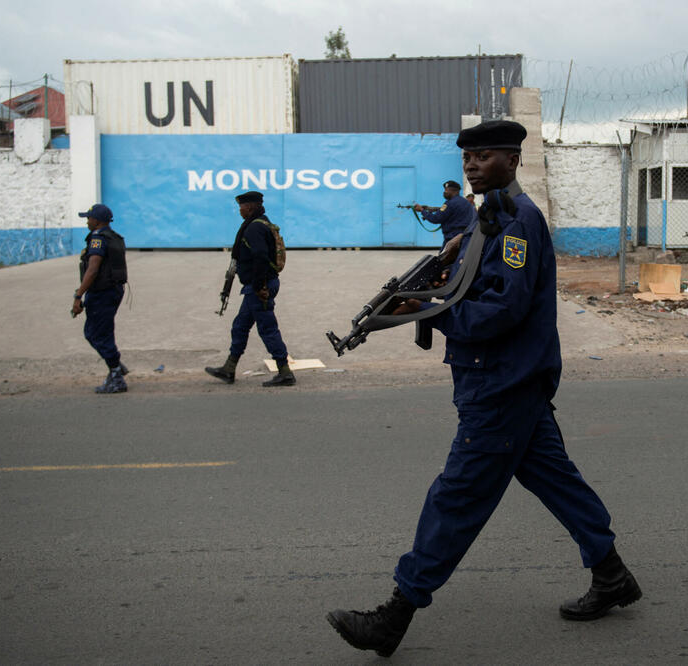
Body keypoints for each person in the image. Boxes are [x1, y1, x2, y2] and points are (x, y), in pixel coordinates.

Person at [326, 120, 641, 658]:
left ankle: (395, 615)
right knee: (556, 480)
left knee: (458, 494)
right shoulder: (486, 219)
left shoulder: (516, 223)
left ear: (514, 160)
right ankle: (611, 574)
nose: (472, 164)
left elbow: (501, 310)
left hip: (502, 381)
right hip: (502, 377)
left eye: (486, 155)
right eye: (467, 157)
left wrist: (428, 310)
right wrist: (438, 276)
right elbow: (471, 283)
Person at [205, 191, 296, 386]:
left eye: (242, 207)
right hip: (256, 286)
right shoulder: (261, 223)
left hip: (259, 287)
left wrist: (259, 286)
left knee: (267, 328)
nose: (240, 211)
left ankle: (285, 371)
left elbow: (261, 257)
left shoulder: (254, 228)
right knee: (240, 326)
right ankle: (229, 368)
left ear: (251, 207)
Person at [72, 204, 129, 394]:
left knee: (97, 333)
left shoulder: (98, 239)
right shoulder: (114, 237)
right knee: (99, 331)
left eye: (89, 218)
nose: (87, 221)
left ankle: (116, 374)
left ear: (97, 221)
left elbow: (93, 269)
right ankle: (116, 365)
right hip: (113, 290)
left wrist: (79, 295)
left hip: (102, 292)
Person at [415, 180, 476, 249]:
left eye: (446, 190)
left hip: (452, 238)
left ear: (453, 191)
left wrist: (422, 210)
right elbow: (453, 214)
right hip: (465, 237)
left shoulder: (449, 203)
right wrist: (431, 211)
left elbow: (436, 218)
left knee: (443, 258)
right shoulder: (466, 202)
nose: (444, 192)